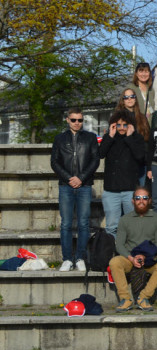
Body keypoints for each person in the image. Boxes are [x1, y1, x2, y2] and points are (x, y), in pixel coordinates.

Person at [51, 108, 100, 271]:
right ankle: (67, 259)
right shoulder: (59, 138)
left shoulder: (90, 138)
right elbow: (54, 162)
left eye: (80, 120)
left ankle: (80, 257)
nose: (77, 123)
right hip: (65, 186)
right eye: (74, 120)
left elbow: (95, 160)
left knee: (84, 223)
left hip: (84, 185)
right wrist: (68, 178)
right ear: (67, 120)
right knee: (65, 223)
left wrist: (81, 178)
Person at [109, 186, 157, 311]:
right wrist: (131, 258)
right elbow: (119, 244)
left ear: (149, 200)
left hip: (149, 258)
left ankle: (143, 297)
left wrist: (145, 256)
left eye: (144, 198)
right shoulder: (125, 219)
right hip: (130, 257)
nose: (141, 201)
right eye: (137, 198)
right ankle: (125, 299)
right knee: (114, 262)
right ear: (133, 201)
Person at [99, 110, 146, 237]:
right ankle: (113, 254)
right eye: (118, 125)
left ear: (130, 125)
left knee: (133, 226)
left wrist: (130, 138)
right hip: (111, 190)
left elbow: (141, 157)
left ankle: (132, 254)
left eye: (124, 125)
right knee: (111, 227)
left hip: (130, 190)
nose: (121, 128)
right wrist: (109, 136)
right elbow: (100, 153)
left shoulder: (137, 138)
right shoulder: (109, 138)